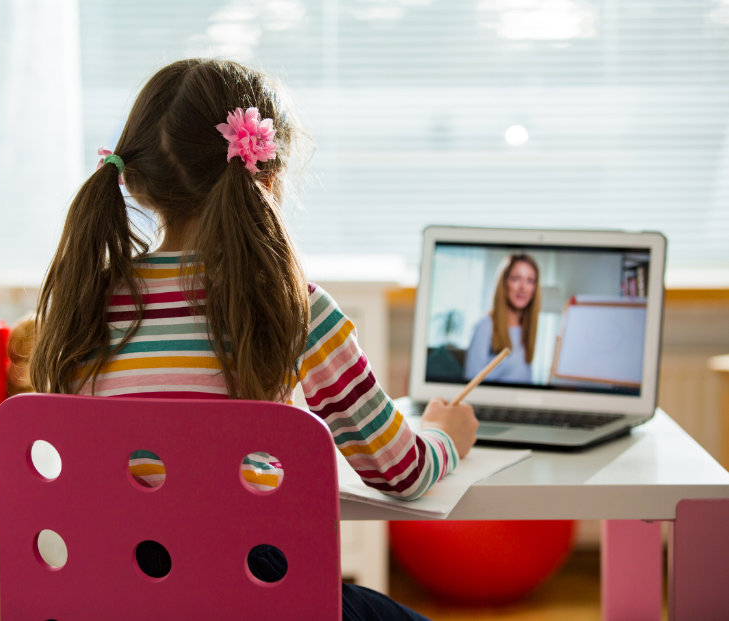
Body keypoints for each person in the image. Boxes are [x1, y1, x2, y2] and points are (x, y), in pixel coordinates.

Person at [29, 58, 478, 621]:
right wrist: (443, 436)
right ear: (267, 171)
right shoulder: (295, 306)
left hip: (109, 596)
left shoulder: (83, 303)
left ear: (134, 178)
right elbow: (399, 472)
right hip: (254, 595)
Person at [464, 253, 541, 383]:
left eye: (530, 281)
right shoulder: (485, 326)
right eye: (516, 278)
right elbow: (471, 380)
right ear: (504, 282)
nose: (523, 287)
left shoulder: (527, 329)